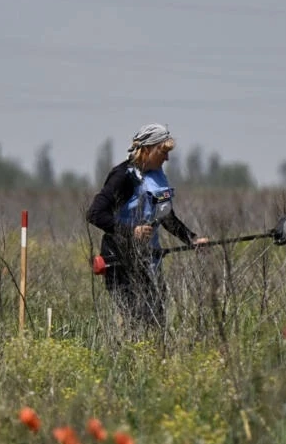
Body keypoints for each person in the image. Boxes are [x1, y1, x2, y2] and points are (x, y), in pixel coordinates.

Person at [86, 123, 207, 330]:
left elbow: (165, 216)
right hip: (120, 259)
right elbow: (95, 214)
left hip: (149, 258)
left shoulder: (157, 176)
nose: (167, 158)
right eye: (163, 152)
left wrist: (192, 239)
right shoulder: (122, 176)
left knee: (157, 318)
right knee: (137, 319)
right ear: (147, 150)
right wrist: (132, 230)